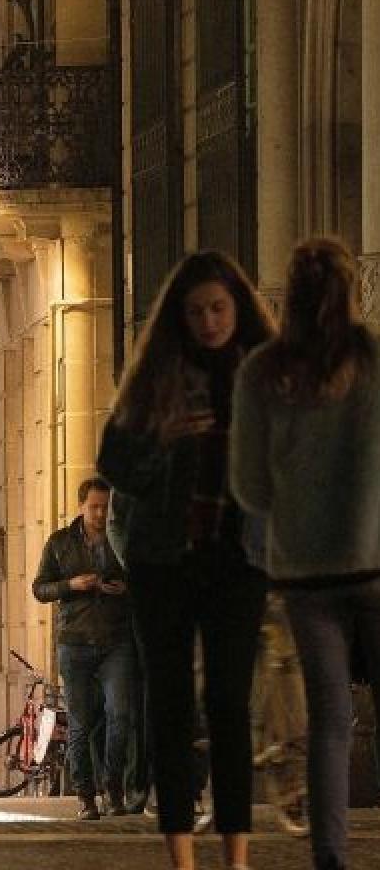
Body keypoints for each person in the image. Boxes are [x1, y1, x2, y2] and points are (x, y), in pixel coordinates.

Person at [96, 250, 274, 870]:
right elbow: (113, 465)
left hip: (238, 558)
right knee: (168, 707)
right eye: (196, 311)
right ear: (180, 316)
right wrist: (165, 442)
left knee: (229, 706)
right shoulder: (153, 379)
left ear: (237, 308)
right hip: (161, 562)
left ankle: (237, 856)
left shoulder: (261, 374)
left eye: (218, 308)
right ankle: (181, 857)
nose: (208, 321)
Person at [231, 238, 380, 870]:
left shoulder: (261, 373)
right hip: (375, 559)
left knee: (329, 721)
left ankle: (331, 857)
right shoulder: (373, 359)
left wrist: (292, 506)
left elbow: (248, 484)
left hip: (304, 572)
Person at [32, 477, 138, 820]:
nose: (99, 513)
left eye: (105, 507)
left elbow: (145, 580)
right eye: (94, 506)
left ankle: (114, 786)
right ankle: (86, 796)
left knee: (120, 714)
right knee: (79, 722)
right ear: (81, 506)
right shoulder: (60, 542)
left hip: (116, 639)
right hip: (75, 642)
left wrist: (126, 589)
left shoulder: (121, 539)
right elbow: (40, 588)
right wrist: (71, 585)